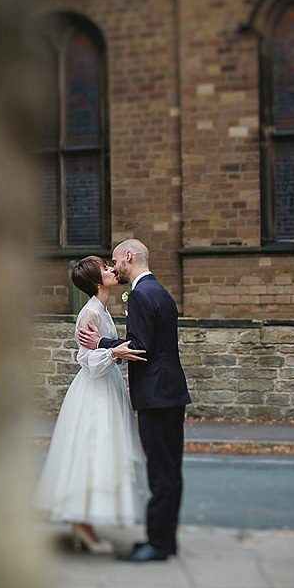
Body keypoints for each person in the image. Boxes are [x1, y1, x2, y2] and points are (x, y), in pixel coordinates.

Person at [78, 239, 191, 562]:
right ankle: (164, 540)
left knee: (161, 472)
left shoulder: (141, 295)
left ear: (129, 257)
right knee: (168, 469)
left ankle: (157, 543)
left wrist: (101, 342)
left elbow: (141, 348)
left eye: (116, 261)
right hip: (168, 393)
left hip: (157, 395)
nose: (114, 268)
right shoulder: (158, 291)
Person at [32, 256, 148, 554]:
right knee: (93, 452)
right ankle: (83, 526)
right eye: (106, 269)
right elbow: (86, 362)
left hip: (107, 388)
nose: (113, 269)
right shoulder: (89, 314)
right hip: (94, 392)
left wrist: (113, 351)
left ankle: (85, 525)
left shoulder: (102, 309)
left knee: (101, 455)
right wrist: (113, 354)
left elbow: (103, 352)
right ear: (98, 281)